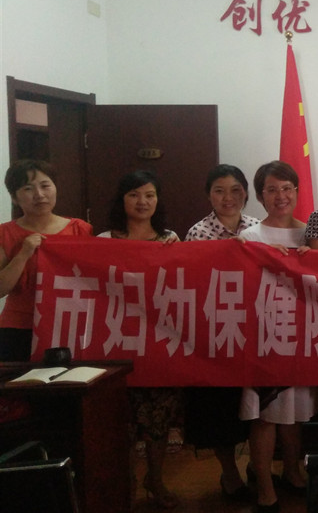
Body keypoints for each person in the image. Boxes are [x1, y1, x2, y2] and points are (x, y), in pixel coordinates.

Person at [98, 170, 180, 509]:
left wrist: (176, 254)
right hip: (116, 341)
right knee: (122, 422)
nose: (142, 202)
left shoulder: (170, 238)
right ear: (122, 200)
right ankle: (127, 482)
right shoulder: (103, 240)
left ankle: (155, 479)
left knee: (159, 418)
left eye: (149, 195)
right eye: (134, 195)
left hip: (159, 342)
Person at [238, 161, 316, 513]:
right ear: (260, 196)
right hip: (263, 335)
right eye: (272, 190)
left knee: (296, 411)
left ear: (297, 191)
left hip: (304, 334)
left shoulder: (310, 235)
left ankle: (293, 472)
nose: (281, 196)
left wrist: (315, 259)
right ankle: (265, 488)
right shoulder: (250, 237)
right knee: (265, 414)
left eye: (287, 188)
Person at [182, 164, 256, 502]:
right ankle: (230, 474)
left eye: (236, 190)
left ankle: (257, 467)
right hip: (214, 333)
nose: (228, 198)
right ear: (208, 195)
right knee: (219, 408)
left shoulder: (257, 228)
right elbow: (193, 283)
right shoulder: (197, 233)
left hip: (255, 330)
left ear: (246, 193)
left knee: (256, 405)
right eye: (219, 191)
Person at [1, 160, 92, 362]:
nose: (39, 194)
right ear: (14, 198)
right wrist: (24, 253)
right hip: (18, 328)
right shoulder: (5, 233)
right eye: (28, 189)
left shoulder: (80, 229)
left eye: (45, 185)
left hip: (68, 324)